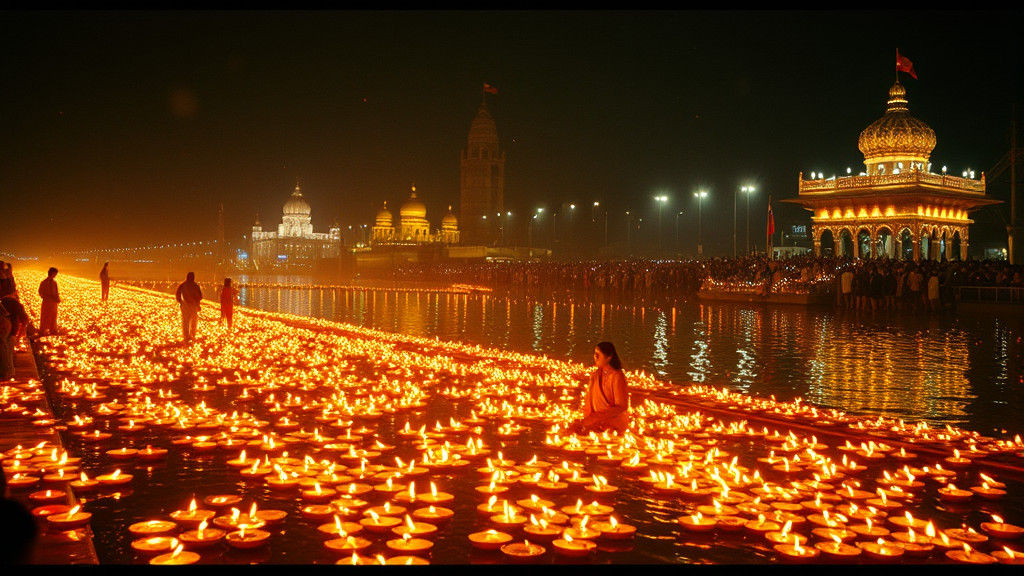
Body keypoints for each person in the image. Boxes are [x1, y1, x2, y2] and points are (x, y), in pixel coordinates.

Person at [572, 341, 630, 434]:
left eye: (598, 354)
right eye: (595, 354)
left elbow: (621, 406)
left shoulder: (617, 376)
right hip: (595, 422)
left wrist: (596, 418)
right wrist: (587, 420)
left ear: (609, 357)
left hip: (612, 423)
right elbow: (588, 403)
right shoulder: (595, 375)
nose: (595, 357)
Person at [0, 288, 28, 380]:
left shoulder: (4, 301)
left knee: (5, 349)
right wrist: (18, 336)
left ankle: (7, 371)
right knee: (7, 349)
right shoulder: (15, 304)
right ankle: (8, 371)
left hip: (5, 325)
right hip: (7, 325)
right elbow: (24, 321)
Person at [175, 272, 203, 343]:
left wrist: (181, 302)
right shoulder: (196, 286)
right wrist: (197, 304)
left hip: (185, 306)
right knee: (193, 321)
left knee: (185, 321)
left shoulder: (182, 285)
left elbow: (177, 295)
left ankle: (186, 336)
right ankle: (192, 335)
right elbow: (200, 297)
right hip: (193, 306)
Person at [37, 268, 59, 335]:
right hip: (47, 302)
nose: (55, 275)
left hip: (53, 303)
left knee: (53, 316)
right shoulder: (44, 282)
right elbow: (40, 292)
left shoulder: (54, 283)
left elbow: (56, 292)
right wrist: (46, 297)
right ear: (51, 273)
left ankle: (53, 330)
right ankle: (43, 331)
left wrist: (57, 298)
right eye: (55, 274)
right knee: (45, 316)